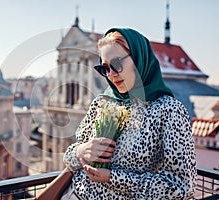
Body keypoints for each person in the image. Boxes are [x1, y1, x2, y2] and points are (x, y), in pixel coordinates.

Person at [62, 27, 197, 199]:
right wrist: (80, 151)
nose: (110, 75)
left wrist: (113, 178)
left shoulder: (169, 110)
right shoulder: (102, 102)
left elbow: (181, 186)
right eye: (105, 68)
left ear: (139, 59)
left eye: (117, 64)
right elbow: (70, 156)